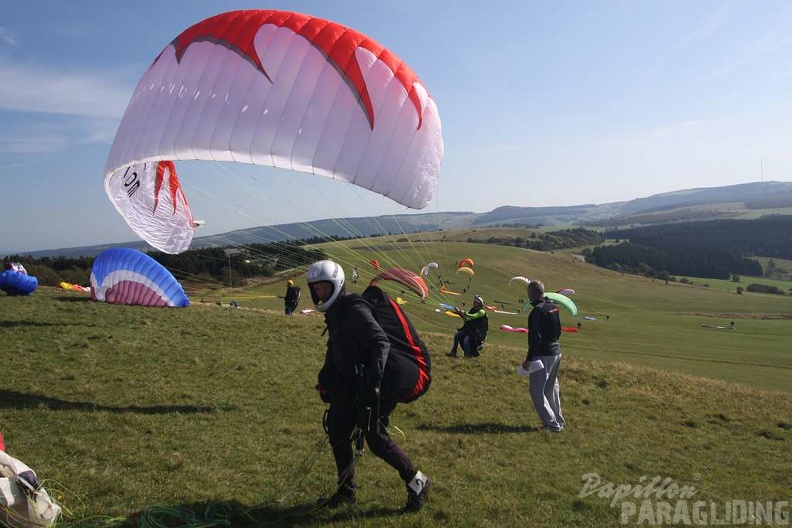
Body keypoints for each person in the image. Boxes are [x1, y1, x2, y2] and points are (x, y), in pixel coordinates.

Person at [306, 260, 430, 511]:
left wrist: (373, 384)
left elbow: (380, 343)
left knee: (376, 438)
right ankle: (346, 492)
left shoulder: (354, 310)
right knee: (338, 430)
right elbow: (338, 350)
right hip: (355, 382)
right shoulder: (336, 313)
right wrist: (327, 382)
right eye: (316, 289)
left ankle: (418, 482)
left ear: (337, 285)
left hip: (377, 381)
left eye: (324, 288)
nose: (320, 294)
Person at [522, 280, 565, 433]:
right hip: (556, 352)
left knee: (536, 391)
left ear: (532, 293)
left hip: (543, 355)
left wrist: (529, 358)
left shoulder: (538, 311)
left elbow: (535, 337)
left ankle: (552, 425)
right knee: (550, 389)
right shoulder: (553, 307)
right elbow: (559, 330)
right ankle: (557, 421)